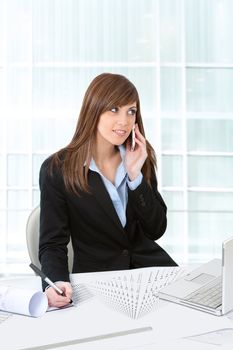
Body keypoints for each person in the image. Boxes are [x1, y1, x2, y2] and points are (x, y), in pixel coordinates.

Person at [39, 72, 177, 307]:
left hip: (151, 273)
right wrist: (56, 282)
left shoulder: (140, 156)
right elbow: (53, 243)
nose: (124, 121)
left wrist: (135, 177)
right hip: (99, 281)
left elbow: (156, 229)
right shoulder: (57, 170)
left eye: (130, 111)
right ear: (94, 109)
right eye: (114, 109)